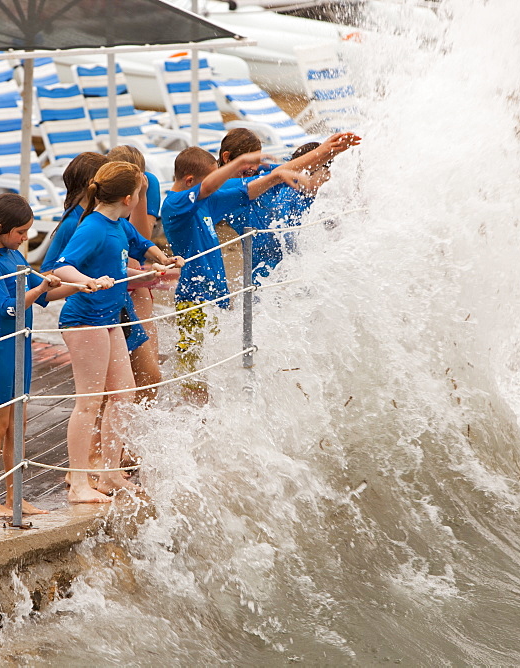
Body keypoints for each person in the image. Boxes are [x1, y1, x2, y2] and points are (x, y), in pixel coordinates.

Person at [161, 134, 359, 397]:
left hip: (218, 297)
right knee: (194, 370)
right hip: (194, 298)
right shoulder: (175, 204)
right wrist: (242, 161)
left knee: (218, 364)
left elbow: (269, 176)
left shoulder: (208, 200)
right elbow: (209, 186)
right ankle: (186, 415)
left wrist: (325, 152)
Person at [51, 161, 184, 503]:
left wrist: (162, 261)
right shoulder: (93, 227)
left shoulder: (117, 224)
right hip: (85, 319)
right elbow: (61, 266)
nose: (140, 201)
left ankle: (109, 473)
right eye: (140, 196)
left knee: (124, 394)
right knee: (89, 402)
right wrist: (86, 282)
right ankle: (80, 483)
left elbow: (141, 246)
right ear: (128, 199)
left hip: (111, 319)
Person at [0, 193, 86, 517]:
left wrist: (82, 286)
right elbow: (8, 308)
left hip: (18, 347)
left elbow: (49, 291)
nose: (25, 239)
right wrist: (39, 289)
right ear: (0, 228)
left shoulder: (14, 258)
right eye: (21, 233)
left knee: (16, 426)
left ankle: (14, 497)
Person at [217, 129, 353, 284]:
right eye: (249, 162)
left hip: (284, 261)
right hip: (261, 267)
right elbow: (280, 173)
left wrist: (331, 152)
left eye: (256, 161)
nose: (253, 168)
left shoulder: (258, 172)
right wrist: (323, 150)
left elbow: (295, 167)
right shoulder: (223, 189)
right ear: (227, 158)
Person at [105, 145, 171, 404]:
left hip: (135, 280)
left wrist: (141, 196)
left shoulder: (148, 183)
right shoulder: (103, 194)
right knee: (113, 386)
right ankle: (109, 443)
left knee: (148, 376)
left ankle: (134, 441)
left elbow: (141, 241)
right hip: (111, 285)